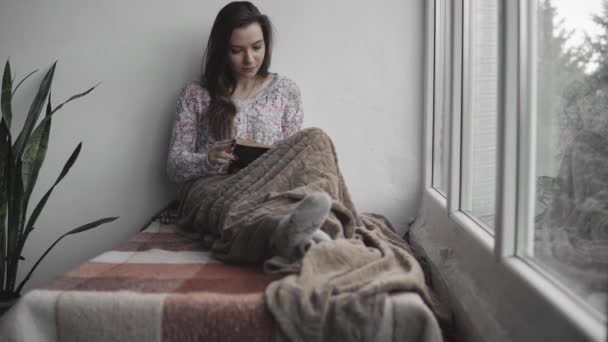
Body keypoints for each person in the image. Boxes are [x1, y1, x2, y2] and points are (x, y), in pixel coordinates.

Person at [167, 1, 332, 265]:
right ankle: (289, 235)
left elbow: (292, 156)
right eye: (237, 50)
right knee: (230, 204)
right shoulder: (195, 95)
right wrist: (207, 159)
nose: (250, 59)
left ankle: (308, 226)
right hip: (215, 187)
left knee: (316, 139)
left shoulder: (286, 91)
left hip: (269, 184)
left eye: (257, 47)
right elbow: (174, 167)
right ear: (222, 50)